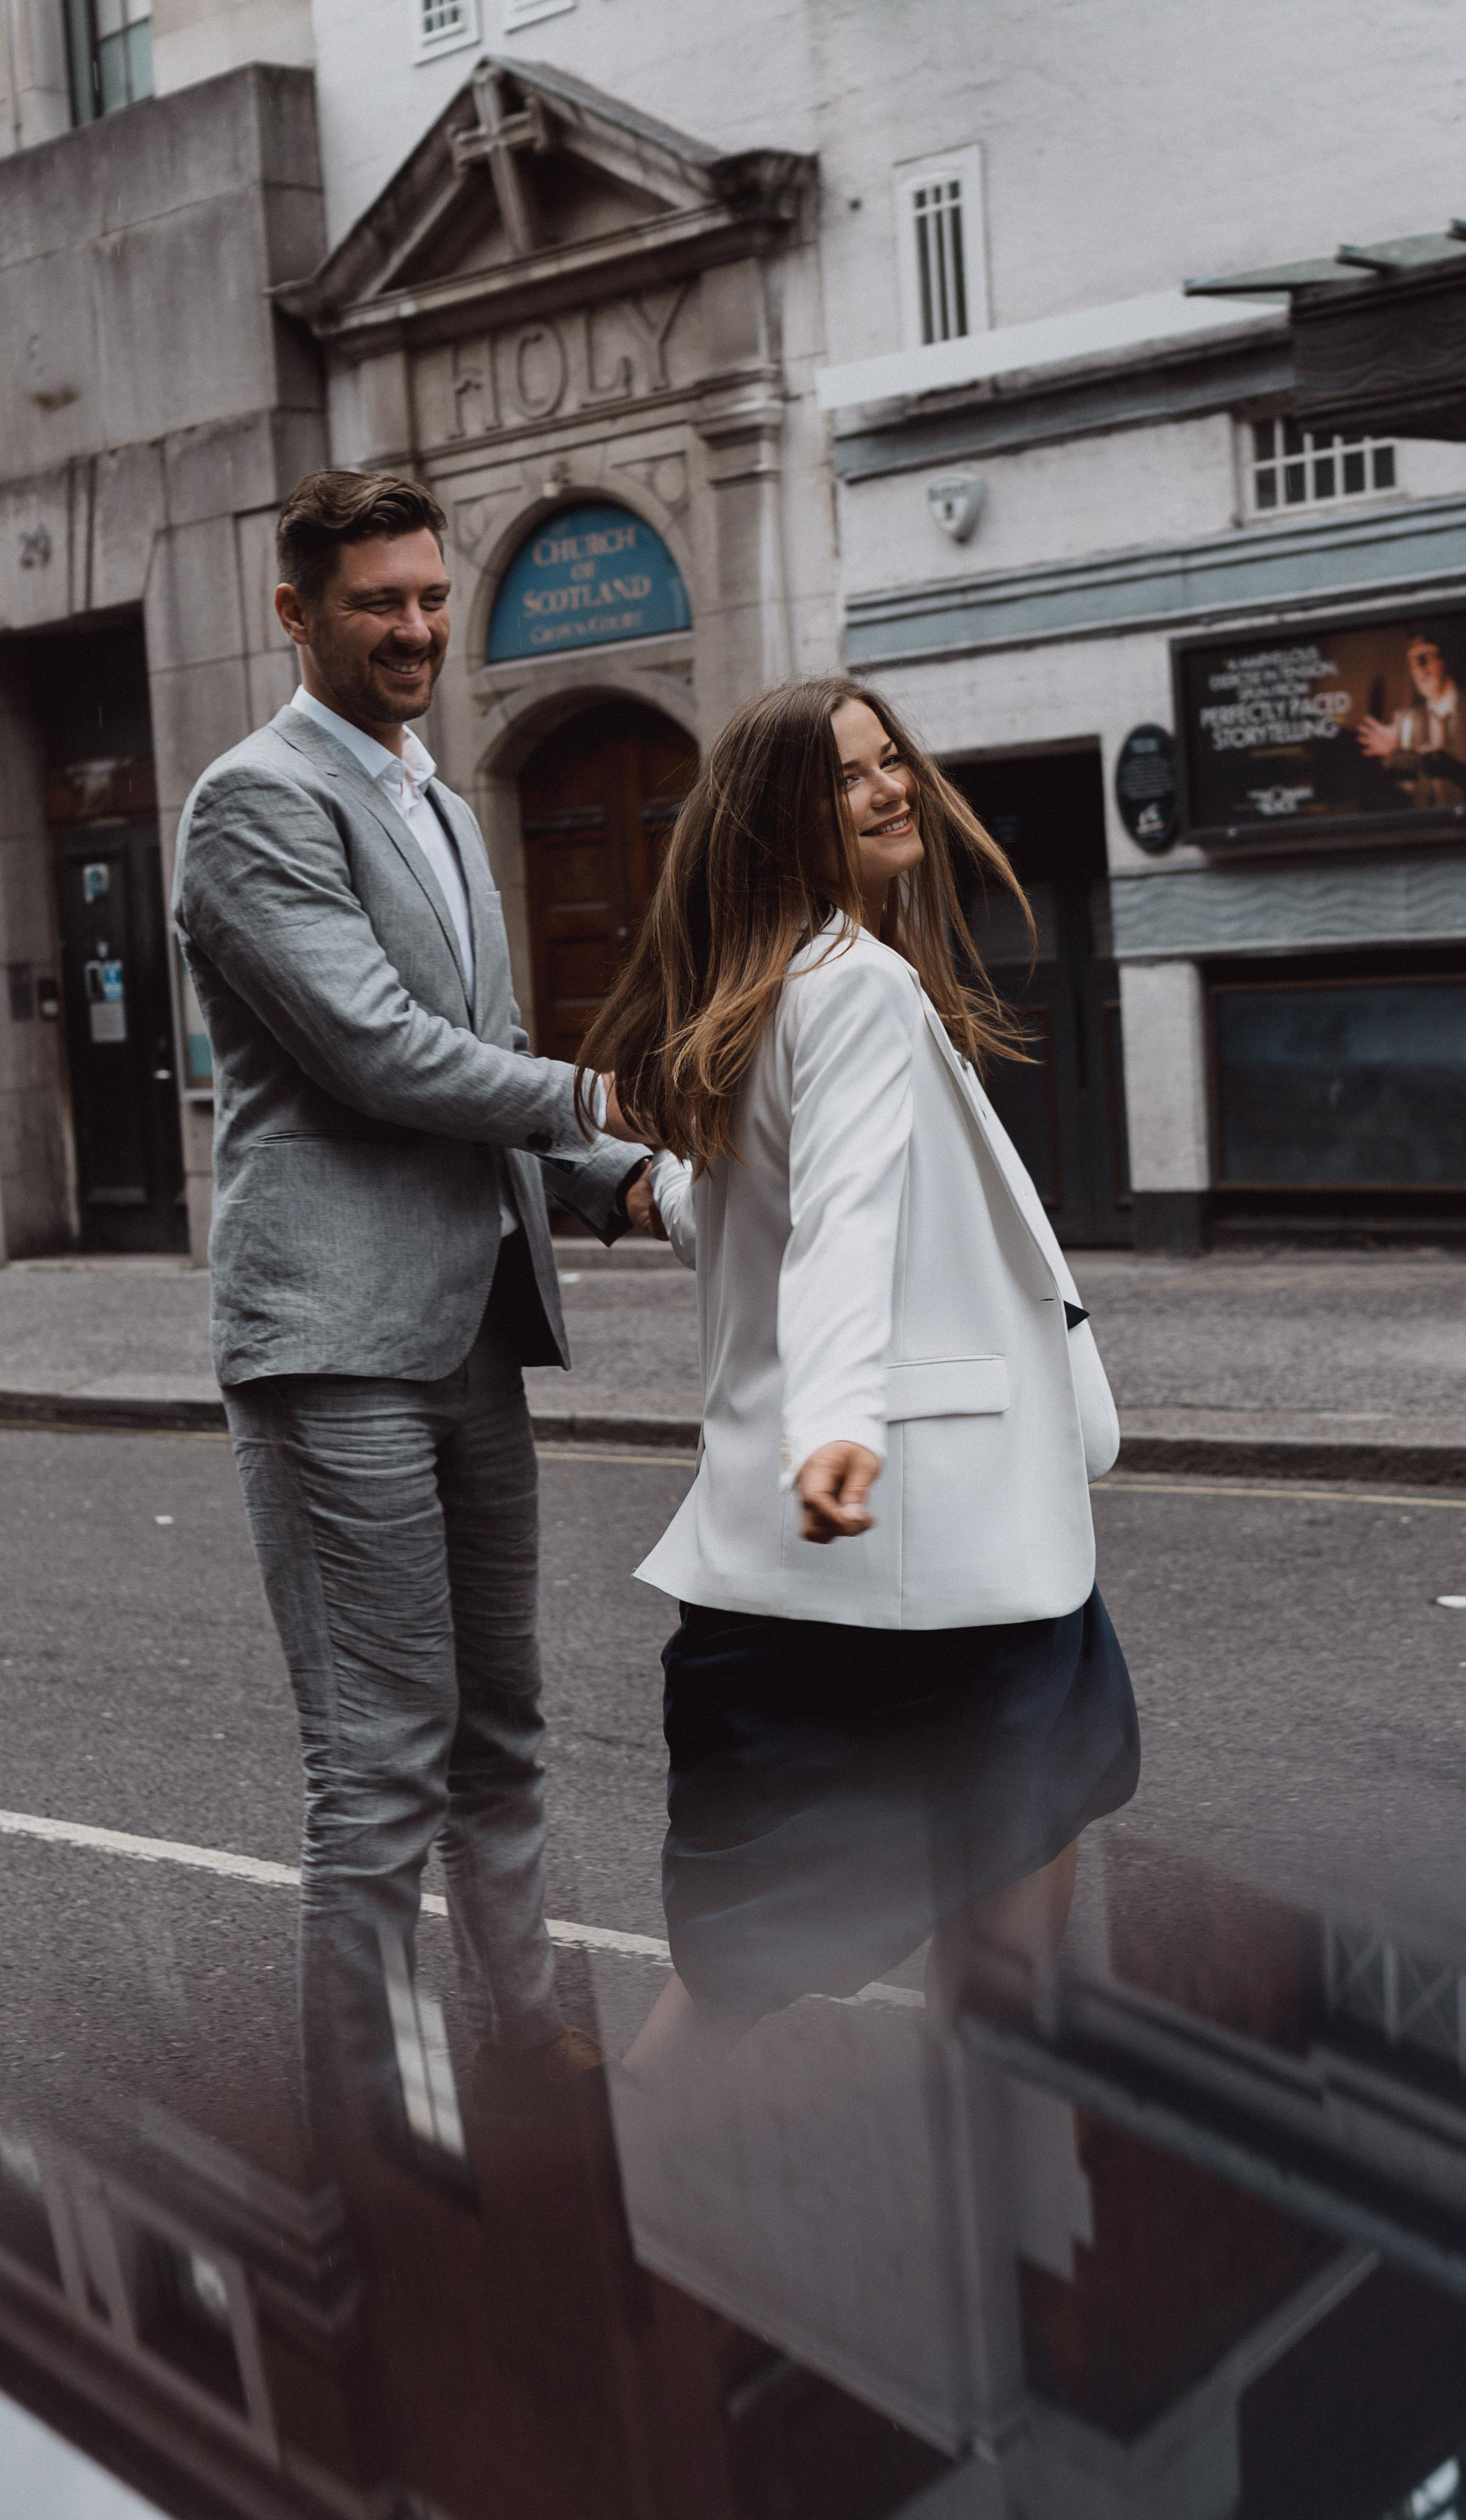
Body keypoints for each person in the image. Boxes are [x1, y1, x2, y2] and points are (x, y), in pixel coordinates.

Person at [172, 469, 656, 2149]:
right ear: (295, 612)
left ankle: (528, 2058)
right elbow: (379, 1051)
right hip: (333, 1339)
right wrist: (602, 1091)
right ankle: (373, 2139)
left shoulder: (441, 807)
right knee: (375, 1773)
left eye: (433, 597)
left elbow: (482, 1054)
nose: (415, 630)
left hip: (466, 1329)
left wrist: (627, 1183)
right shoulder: (250, 804)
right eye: (376, 602)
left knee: (500, 1733)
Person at [587, 677, 1140, 2088]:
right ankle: (1001, 2207)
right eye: (847, 776)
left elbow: (751, 1209)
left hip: (859, 1571)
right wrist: (836, 1422)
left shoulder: (775, 987)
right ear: (784, 822)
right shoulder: (860, 989)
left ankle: (583, 2250)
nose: (891, 786)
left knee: (751, 1962)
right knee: (970, 1924)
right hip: (941, 1562)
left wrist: (653, 1196)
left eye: (890, 757)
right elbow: (837, 1228)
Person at [1355, 628, 1466, 810]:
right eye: (1412, 659)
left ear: (1448, 659)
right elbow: (1409, 793)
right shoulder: (1410, 718)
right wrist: (1393, 758)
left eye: (1426, 655)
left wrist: (1455, 771)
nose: (1419, 667)